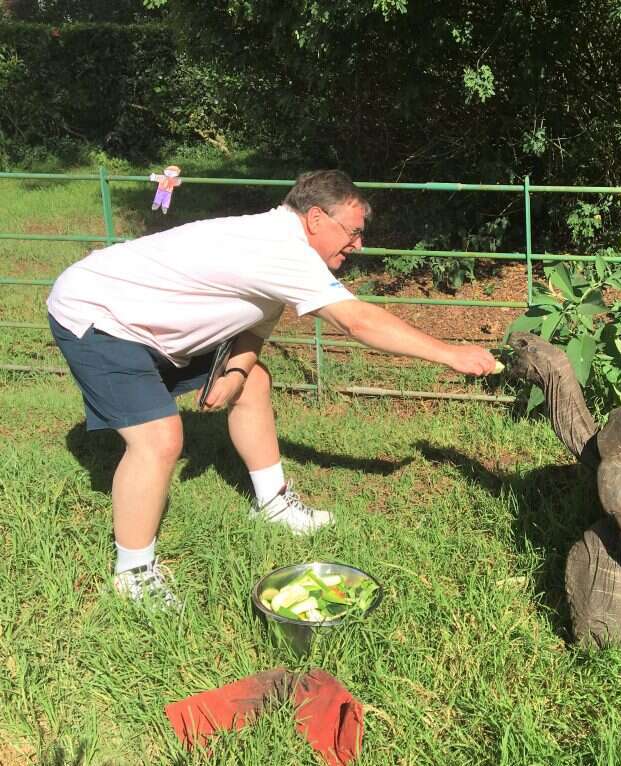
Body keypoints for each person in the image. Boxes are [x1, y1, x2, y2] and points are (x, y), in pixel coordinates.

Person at [46, 169, 497, 608]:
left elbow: (254, 328)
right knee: (159, 439)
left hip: (153, 323)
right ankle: (133, 573)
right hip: (99, 314)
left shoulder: (285, 247)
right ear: (316, 218)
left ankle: (273, 504)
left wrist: (237, 374)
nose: (359, 244)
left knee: (256, 379)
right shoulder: (280, 249)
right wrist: (448, 353)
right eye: (353, 232)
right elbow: (357, 321)